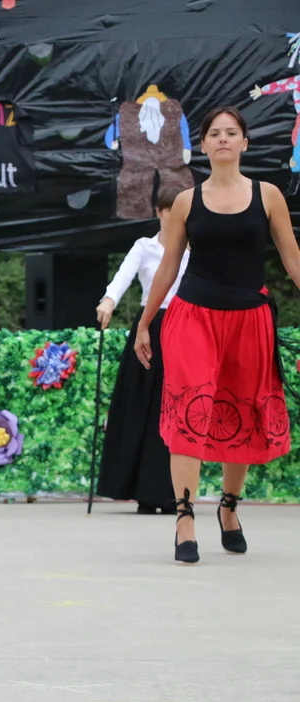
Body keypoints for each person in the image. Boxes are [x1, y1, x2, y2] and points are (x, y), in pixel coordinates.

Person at [135, 106, 300, 566]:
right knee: (191, 408)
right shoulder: (187, 202)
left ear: (244, 142)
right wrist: (146, 322)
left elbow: (292, 258)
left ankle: (228, 507)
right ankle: (184, 518)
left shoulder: (268, 196)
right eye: (215, 133)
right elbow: (168, 267)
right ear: (204, 145)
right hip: (193, 317)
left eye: (231, 132)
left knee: (241, 412)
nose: (223, 139)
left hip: (249, 318)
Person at [95, 192, 190, 515]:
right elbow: (123, 275)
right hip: (149, 325)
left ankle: (172, 491)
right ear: (159, 212)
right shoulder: (144, 247)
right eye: (170, 211)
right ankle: (141, 490)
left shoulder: (194, 250)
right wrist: (109, 300)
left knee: (177, 406)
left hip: (185, 327)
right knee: (143, 404)